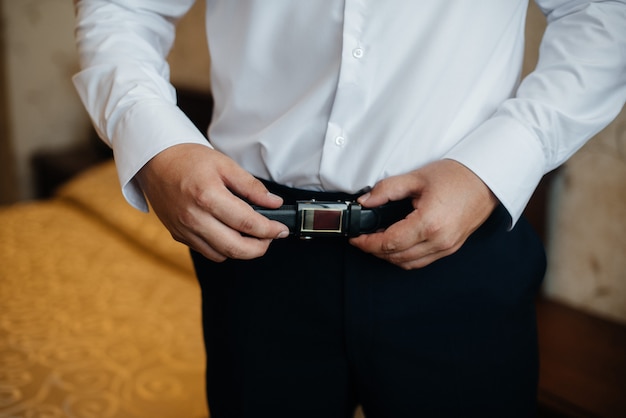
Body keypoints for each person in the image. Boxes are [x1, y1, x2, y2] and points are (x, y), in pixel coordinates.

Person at [72, 1, 626, 416]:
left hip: (457, 244)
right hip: (257, 249)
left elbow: (600, 16)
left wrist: (494, 167)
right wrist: (154, 143)